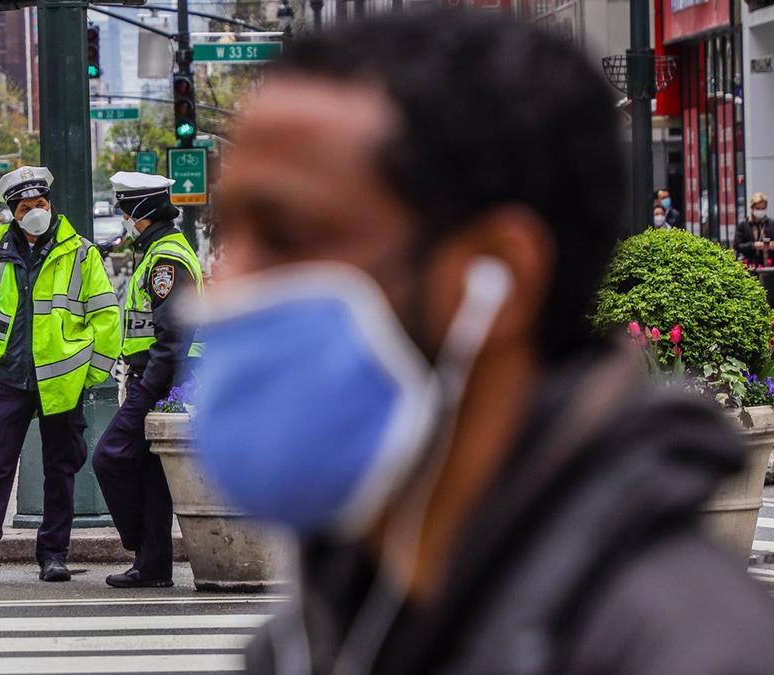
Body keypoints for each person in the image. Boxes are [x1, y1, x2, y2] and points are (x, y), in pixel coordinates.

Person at [193, 14, 774, 674]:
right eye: (229, 234)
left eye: (287, 236)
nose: (224, 290)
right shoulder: (319, 637)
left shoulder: (690, 652)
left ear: (496, 277)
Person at [0, 166, 121, 584]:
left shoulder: (80, 251)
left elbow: (106, 315)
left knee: (60, 470)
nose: (36, 212)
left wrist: (91, 375)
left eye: (41, 204)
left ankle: (53, 555)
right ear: (13, 212)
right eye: (27, 207)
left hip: (62, 382)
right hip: (9, 379)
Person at [92, 171, 203, 589]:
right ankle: (152, 564)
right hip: (159, 379)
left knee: (111, 456)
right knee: (149, 474)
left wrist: (145, 392)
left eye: (125, 209)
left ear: (141, 211)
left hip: (162, 381)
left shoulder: (166, 259)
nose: (122, 217)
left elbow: (172, 336)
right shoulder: (157, 250)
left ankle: (139, 544)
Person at [737, 192, 772, 268]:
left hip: (770, 267)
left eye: (763, 208)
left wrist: (771, 245)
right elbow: (738, 246)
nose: (760, 211)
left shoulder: (771, 223)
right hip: (750, 266)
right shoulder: (744, 225)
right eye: (758, 208)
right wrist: (753, 245)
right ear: (752, 208)